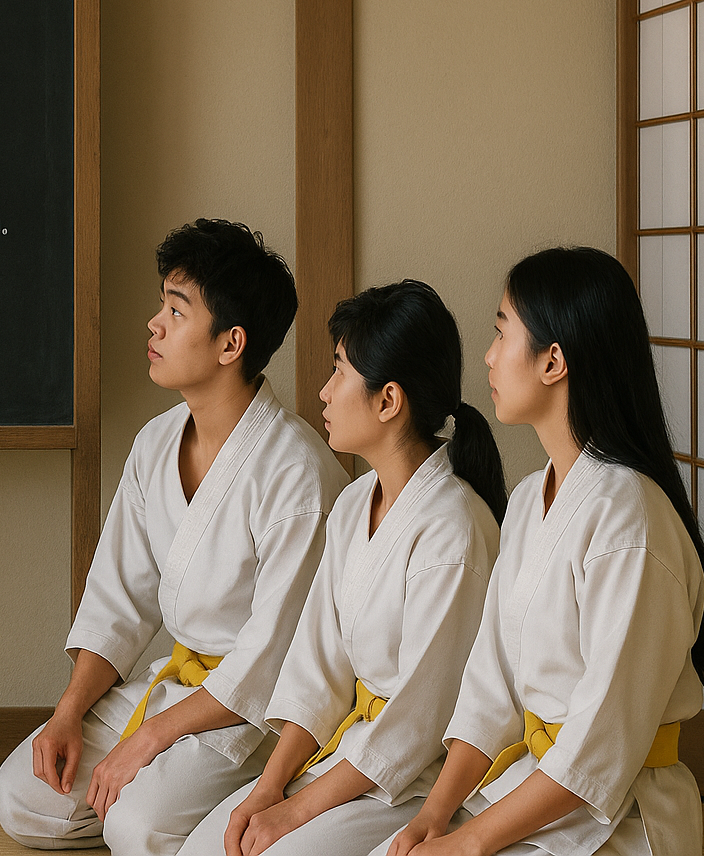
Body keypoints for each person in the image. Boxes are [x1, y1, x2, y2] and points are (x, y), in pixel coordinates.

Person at [0, 218, 350, 856]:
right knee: (22, 795)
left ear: (230, 343)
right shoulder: (155, 442)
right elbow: (118, 602)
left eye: (177, 311)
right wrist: (69, 711)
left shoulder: (296, 472)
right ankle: (166, 802)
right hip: (177, 687)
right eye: (162, 304)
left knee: (137, 825)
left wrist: (150, 739)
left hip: (256, 715)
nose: (154, 325)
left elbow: (270, 661)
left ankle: (199, 806)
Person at [378, 247, 704, 856]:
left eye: (501, 332)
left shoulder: (630, 519)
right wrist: (435, 815)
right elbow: (490, 688)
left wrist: (468, 844)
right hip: (533, 787)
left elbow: (600, 744)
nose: (488, 356)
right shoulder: (531, 498)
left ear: (553, 361)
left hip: (620, 818)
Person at [180, 280, 505, 856]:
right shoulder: (355, 503)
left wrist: (295, 812)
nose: (324, 392)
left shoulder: (453, 529)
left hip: (411, 779)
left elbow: (418, 722)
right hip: (350, 750)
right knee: (206, 848)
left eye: (339, 372)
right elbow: (316, 671)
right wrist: (269, 787)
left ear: (388, 400)